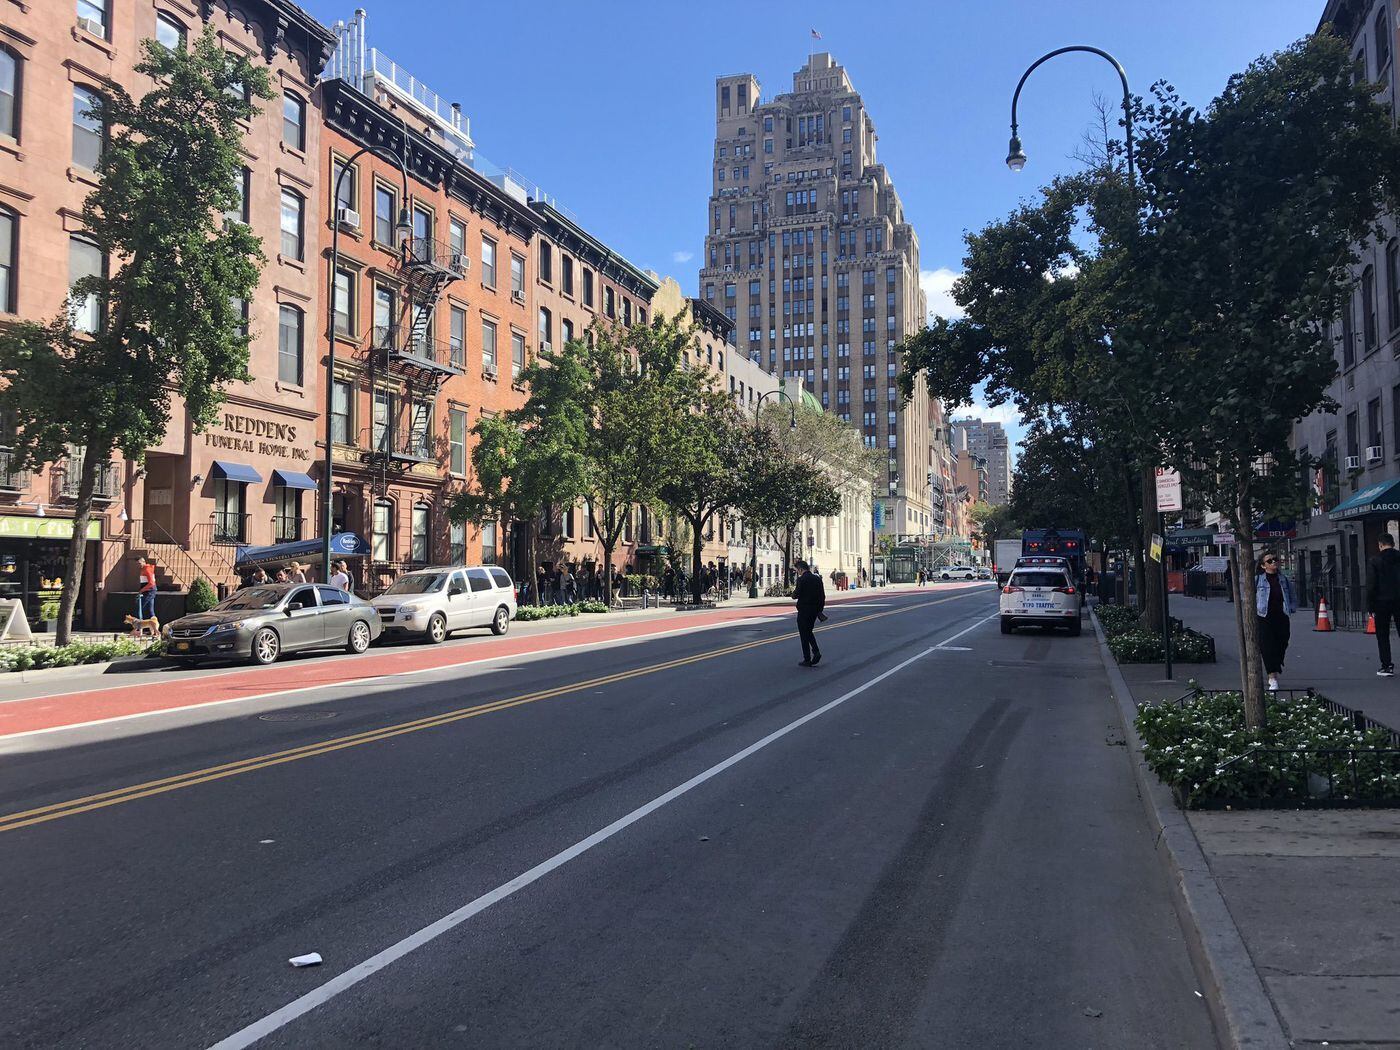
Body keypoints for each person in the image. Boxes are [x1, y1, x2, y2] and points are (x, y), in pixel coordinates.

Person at [1255, 552, 1296, 692]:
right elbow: (1248, 595)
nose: (1273, 562)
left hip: (1281, 616)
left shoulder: (1283, 579)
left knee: (1282, 642)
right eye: (1269, 561)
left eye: (1275, 559)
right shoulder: (1258, 580)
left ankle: (1276, 663)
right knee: (1267, 647)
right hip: (1264, 616)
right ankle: (1272, 677)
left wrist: (1291, 608)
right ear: (1263, 565)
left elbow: (1291, 594)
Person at [1367, 533, 1400, 676]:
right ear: (1393, 543)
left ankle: (1387, 666)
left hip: (1381, 601)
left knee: (1382, 634)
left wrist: (1370, 605)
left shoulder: (1375, 560)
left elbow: (1371, 584)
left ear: (1380, 544)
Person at [792, 557, 827, 667]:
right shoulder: (817, 579)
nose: (798, 573)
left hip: (803, 610)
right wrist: (819, 610)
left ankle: (808, 658)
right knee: (808, 631)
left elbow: (796, 594)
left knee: (804, 634)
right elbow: (822, 596)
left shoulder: (801, 580)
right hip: (814, 611)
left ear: (801, 570)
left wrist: (793, 594)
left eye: (798, 571)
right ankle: (816, 652)